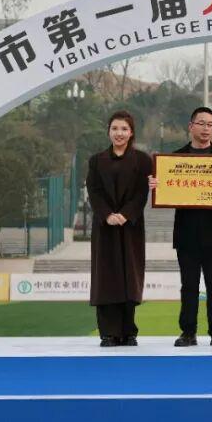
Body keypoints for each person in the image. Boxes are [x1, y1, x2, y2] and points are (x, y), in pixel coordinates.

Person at [148, 106, 212, 348]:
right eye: (201, 123)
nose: (206, 128)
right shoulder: (174, 159)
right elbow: (165, 191)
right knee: (188, 285)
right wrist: (156, 183)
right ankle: (188, 332)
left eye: (210, 124)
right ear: (191, 126)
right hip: (186, 233)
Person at [86, 110, 152, 347]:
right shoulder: (96, 160)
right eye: (115, 128)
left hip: (130, 227)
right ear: (109, 131)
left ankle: (128, 331)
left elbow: (141, 193)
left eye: (124, 129)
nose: (119, 133)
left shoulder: (143, 160)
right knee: (106, 278)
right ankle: (108, 332)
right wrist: (107, 215)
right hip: (105, 228)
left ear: (131, 132)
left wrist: (125, 214)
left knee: (129, 278)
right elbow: (93, 191)